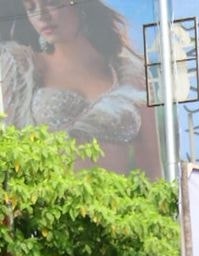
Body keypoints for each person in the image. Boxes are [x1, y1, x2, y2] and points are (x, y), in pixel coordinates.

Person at [0, 0, 161, 178]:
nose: (41, 16)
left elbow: (152, 167)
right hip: (52, 201)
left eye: (52, 4)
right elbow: (14, 158)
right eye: (31, 9)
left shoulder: (132, 73)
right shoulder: (23, 70)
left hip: (121, 201)